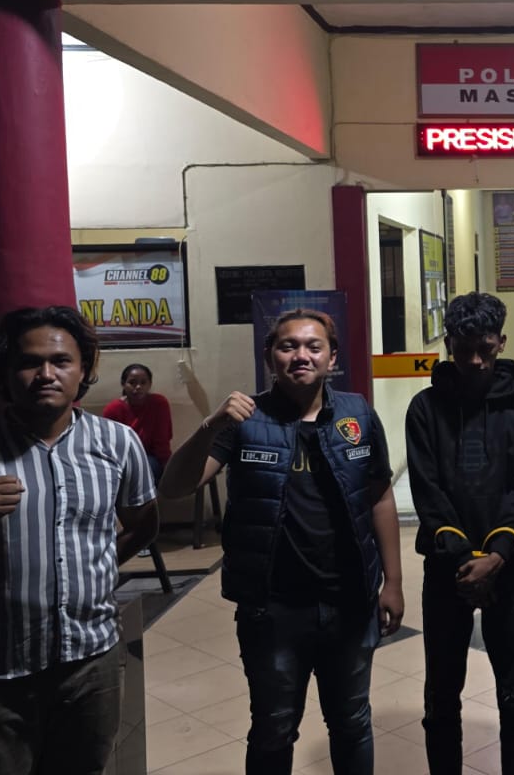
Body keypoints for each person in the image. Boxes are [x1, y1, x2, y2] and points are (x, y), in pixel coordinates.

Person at [0, 305, 159, 775]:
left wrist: (99, 567)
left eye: (61, 360)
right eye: (29, 362)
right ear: (5, 373)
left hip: (93, 665)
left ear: (83, 370)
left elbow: (144, 524)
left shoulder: (118, 443)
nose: (46, 374)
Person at [158, 308, 402, 775]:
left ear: (332, 358)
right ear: (270, 356)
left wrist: (392, 582)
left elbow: (379, 497)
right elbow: (174, 487)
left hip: (349, 601)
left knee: (352, 723)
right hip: (272, 609)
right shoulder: (244, 419)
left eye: (313, 346)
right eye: (288, 346)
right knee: (273, 727)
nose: (301, 355)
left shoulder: (357, 413)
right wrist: (210, 424)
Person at [405, 292, 514, 775]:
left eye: (485, 349)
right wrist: (463, 556)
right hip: (447, 567)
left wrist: (497, 556)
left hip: (510, 567)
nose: (474, 361)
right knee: (442, 693)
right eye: (464, 349)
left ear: (501, 342)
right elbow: (427, 491)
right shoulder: (425, 408)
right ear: (448, 344)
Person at [101, 363, 173, 479]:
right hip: (121, 459)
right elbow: (109, 445)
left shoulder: (159, 404)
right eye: (132, 383)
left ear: (150, 385)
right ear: (123, 384)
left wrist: (168, 468)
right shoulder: (113, 409)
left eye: (143, 383)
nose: (138, 387)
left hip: (150, 458)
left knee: (148, 468)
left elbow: (162, 441)